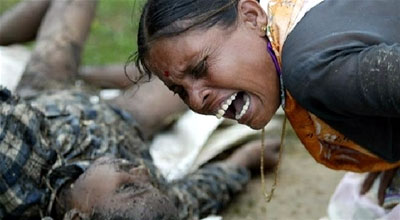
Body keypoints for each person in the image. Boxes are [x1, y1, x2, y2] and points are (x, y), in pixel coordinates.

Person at [0, 0, 281, 219]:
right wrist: (243, 160)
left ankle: (84, 74)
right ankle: (90, 75)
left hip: (49, 93)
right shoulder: (147, 207)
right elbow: (199, 193)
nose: (142, 172)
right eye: (152, 184)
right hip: (128, 117)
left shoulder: (18, 168)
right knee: (201, 78)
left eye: (128, 186)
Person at [134, 0, 400, 216]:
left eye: (199, 68)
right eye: (180, 91)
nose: (195, 100)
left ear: (252, 16)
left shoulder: (311, 72)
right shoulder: (294, 17)